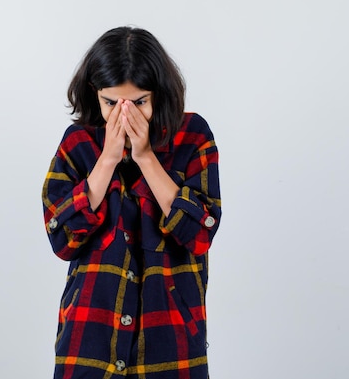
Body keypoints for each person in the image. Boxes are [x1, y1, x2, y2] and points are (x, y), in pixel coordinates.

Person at [42, 26, 221, 379]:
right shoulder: (78, 142)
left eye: (138, 102)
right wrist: (107, 160)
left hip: (171, 335)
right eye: (111, 103)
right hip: (90, 334)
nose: (124, 115)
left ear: (159, 95)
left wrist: (145, 157)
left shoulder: (193, 137)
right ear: (95, 95)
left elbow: (200, 234)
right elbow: (61, 239)